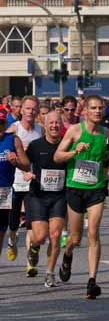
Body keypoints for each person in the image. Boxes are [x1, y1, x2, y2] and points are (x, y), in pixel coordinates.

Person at [54, 94, 109, 299]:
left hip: (96, 188)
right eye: (93, 108)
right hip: (75, 187)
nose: (97, 111)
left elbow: (105, 159)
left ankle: (92, 281)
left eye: (100, 108)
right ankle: (68, 254)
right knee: (75, 238)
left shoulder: (105, 132)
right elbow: (57, 156)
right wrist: (74, 151)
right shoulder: (75, 130)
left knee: (93, 232)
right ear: (85, 110)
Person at [16, 110, 67, 289]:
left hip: (59, 196)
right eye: (51, 122)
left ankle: (50, 273)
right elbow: (24, 163)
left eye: (57, 122)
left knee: (55, 235)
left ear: (62, 125)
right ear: (44, 125)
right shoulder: (36, 146)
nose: (54, 126)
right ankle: (34, 247)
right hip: (37, 196)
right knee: (40, 236)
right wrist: (26, 172)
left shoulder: (67, 145)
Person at [6, 97, 43, 267]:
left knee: (30, 223)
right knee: (13, 223)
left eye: (34, 109)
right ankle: (12, 240)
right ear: (21, 110)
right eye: (27, 108)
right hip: (14, 182)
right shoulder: (14, 129)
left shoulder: (40, 130)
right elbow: (7, 154)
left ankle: (30, 263)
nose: (30, 112)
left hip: (32, 183)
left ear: (37, 111)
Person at [0, 109, 18, 260]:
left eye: (1, 123)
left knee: (0, 231)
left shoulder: (12, 139)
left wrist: (15, 161)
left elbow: (26, 164)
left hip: (4, 191)